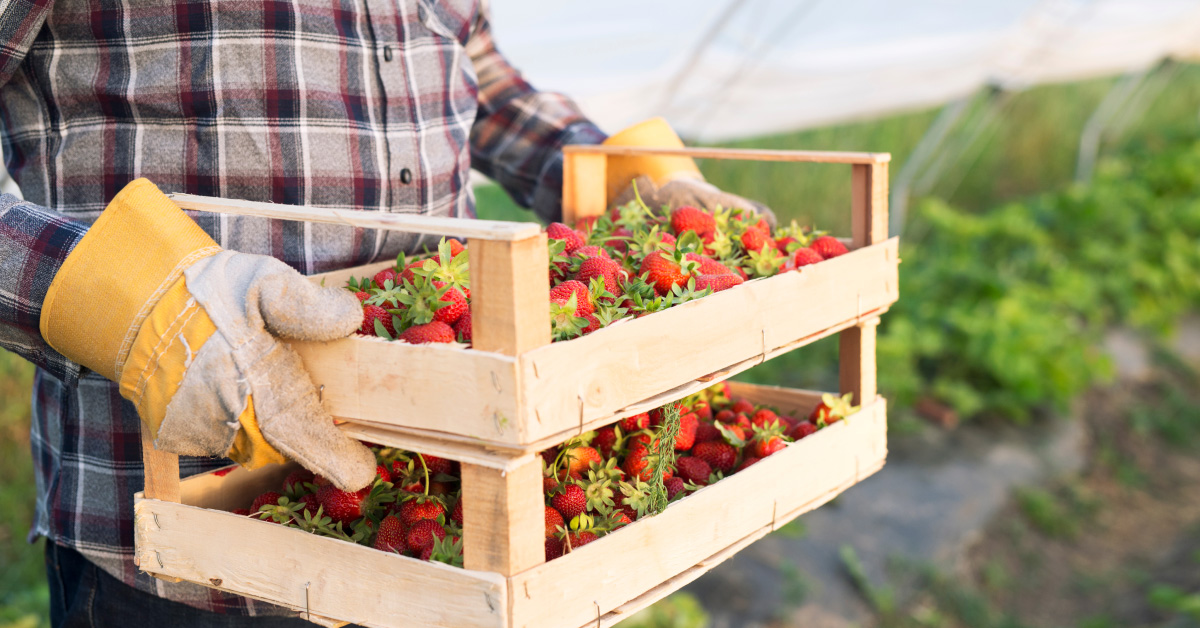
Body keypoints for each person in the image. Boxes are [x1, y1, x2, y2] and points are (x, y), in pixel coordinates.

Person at [0, 1, 771, 625]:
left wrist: (623, 178)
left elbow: (477, 73)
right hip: (195, 553)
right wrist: (137, 309)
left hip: (447, 519)